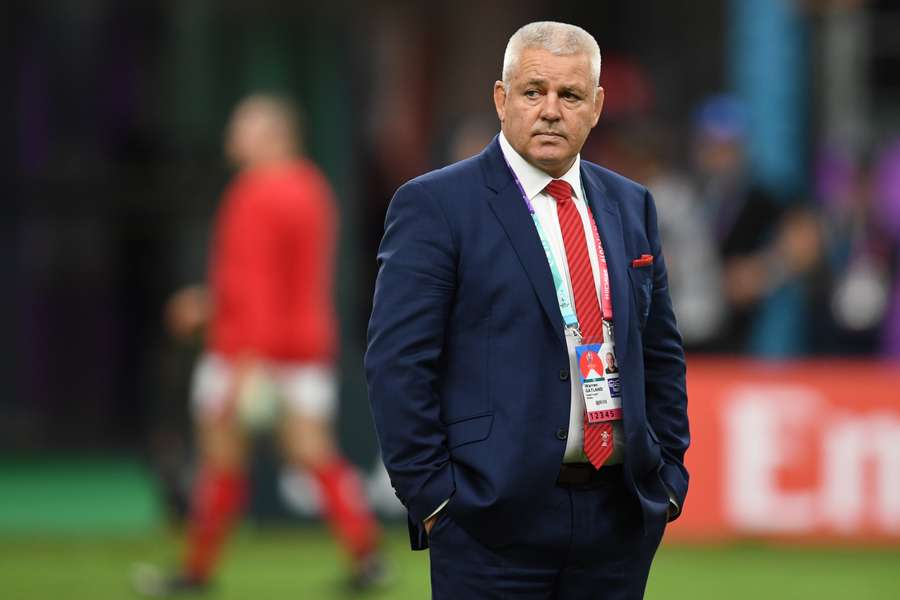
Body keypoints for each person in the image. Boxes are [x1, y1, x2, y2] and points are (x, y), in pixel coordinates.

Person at [366, 21, 689, 600]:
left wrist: (667, 481)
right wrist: (436, 500)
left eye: (568, 96)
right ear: (501, 99)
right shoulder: (435, 205)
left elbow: (660, 351)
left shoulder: (631, 203)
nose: (549, 110)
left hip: (615, 520)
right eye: (532, 91)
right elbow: (397, 363)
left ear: (596, 106)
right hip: (488, 522)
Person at [134, 94, 385, 597]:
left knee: (221, 461)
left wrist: (247, 359)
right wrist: (210, 305)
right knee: (314, 453)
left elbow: (259, 286)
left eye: (242, 125)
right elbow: (282, 279)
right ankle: (368, 558)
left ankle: (195, 571)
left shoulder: (256, 191)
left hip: (248, 349)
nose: (233, 133)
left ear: (272, 133)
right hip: (304, 345)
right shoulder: (311, 186)